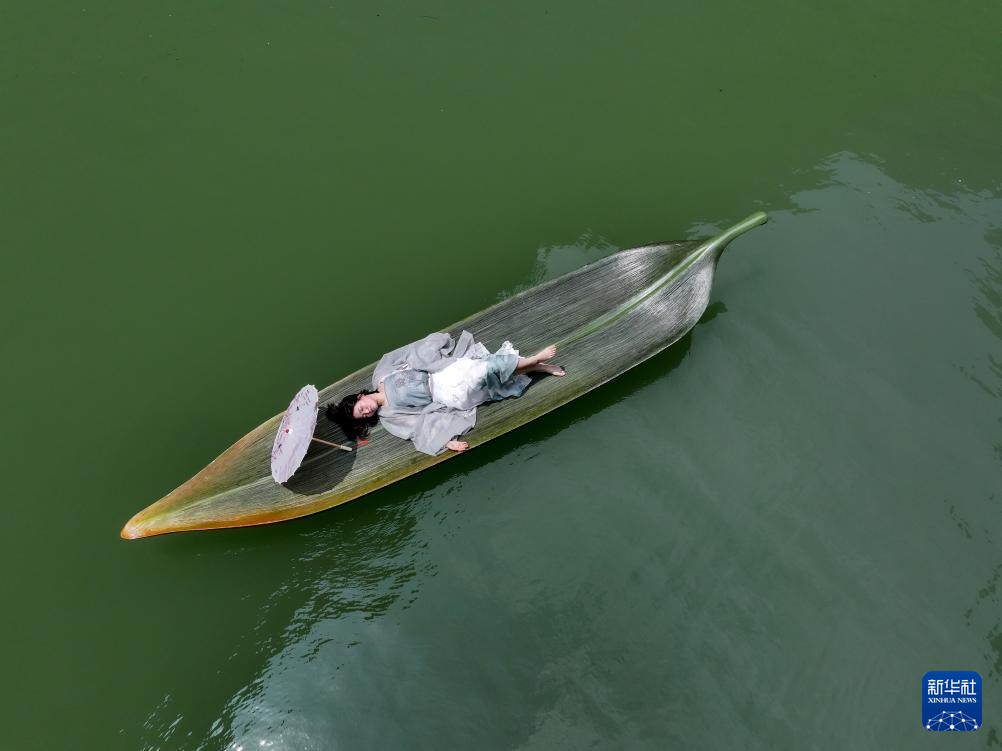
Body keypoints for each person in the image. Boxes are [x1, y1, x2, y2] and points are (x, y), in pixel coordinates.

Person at [327, 331, 565, 456]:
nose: (367, 412)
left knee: (484, 370)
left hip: (441, 372)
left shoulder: (381, 374)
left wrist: (429, 346)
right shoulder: (389, 416)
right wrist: (446, 441)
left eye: (361, 408)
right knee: (482, 372)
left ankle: (537, 367)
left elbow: (408, 352)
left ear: (360, 397)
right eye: (364, 416)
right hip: (446, 394)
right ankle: (535, 361)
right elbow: (416, 429)